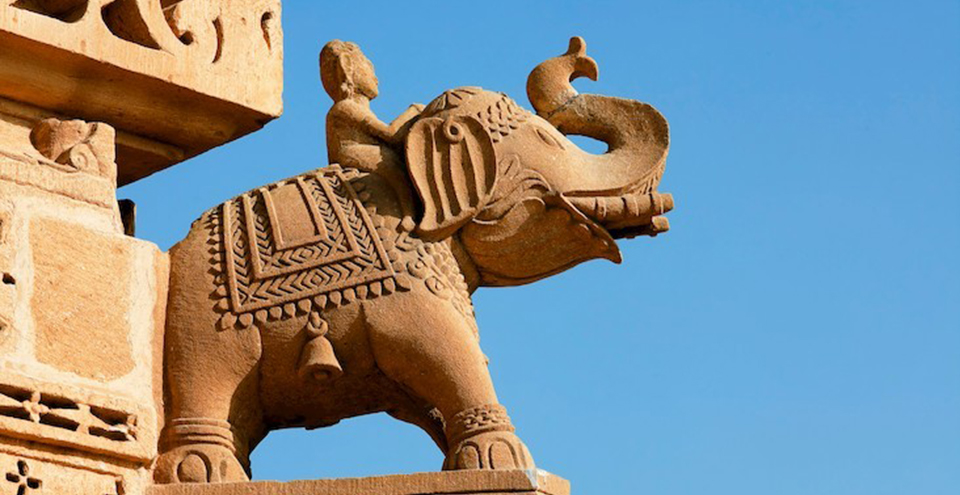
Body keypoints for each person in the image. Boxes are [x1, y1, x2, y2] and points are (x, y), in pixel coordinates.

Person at [320, 40, 421, 231]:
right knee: (389, 162)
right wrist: (413, 111)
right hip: (350, 152)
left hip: (362, 148)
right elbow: (390, 133)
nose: (376, 78)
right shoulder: (345, 107)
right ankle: (409, 213)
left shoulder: (358, 108)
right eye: (369, 68)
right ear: (347, 66)